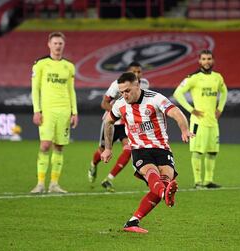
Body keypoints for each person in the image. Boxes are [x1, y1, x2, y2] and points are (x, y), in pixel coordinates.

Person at [101, 72, 193, 233]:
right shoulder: (119, 104)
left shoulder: (155, 98)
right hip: (139, 149)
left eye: (127, 91)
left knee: (162, 185)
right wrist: (108, 148)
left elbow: (176, 113)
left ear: (137, 85)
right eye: (121, 92)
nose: (124, 95)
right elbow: (108, 121)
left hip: (162, 148)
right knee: (153, 176)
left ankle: (132, 222)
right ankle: (165, 193)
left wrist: (184, 130)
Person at [88, 62, 150, 192]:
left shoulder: (144, 84)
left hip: (127, 124)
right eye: (134, 72)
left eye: (139, 72)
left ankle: (108, 179)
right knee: (102, 151)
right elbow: (104, 103)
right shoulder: (117, 85)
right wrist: (118, 113)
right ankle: (93, 164)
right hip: (112, 123)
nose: (137, 74)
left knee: (128, 150)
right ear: (128, 72)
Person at [30, 31, 78, 194]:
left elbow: (71, 90)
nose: (58, 46)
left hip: (64, 111)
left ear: (63, 45)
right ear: (49, 44)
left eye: (60, 43)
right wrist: (37, 110)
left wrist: (74, 112)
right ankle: (40, 183)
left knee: (59, 146)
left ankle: (54, 184)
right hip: (47, 111)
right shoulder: (40, 64)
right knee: (45, 145)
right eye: (55, 43)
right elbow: (35, 89)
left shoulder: (69, 66)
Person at [173, 49, 227, 189]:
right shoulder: (193, 77)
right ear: (199, 61)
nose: (207, 61)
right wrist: (191, 109)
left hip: (212, 122)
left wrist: (220, 108)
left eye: (209, 59)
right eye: (204, 59)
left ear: (213, 60)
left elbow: (224, 91)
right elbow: (177, 93)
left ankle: (208, 181)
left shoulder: (218, 77)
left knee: (212, 151)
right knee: (197, 151)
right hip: (198, 122)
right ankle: (198, 182)